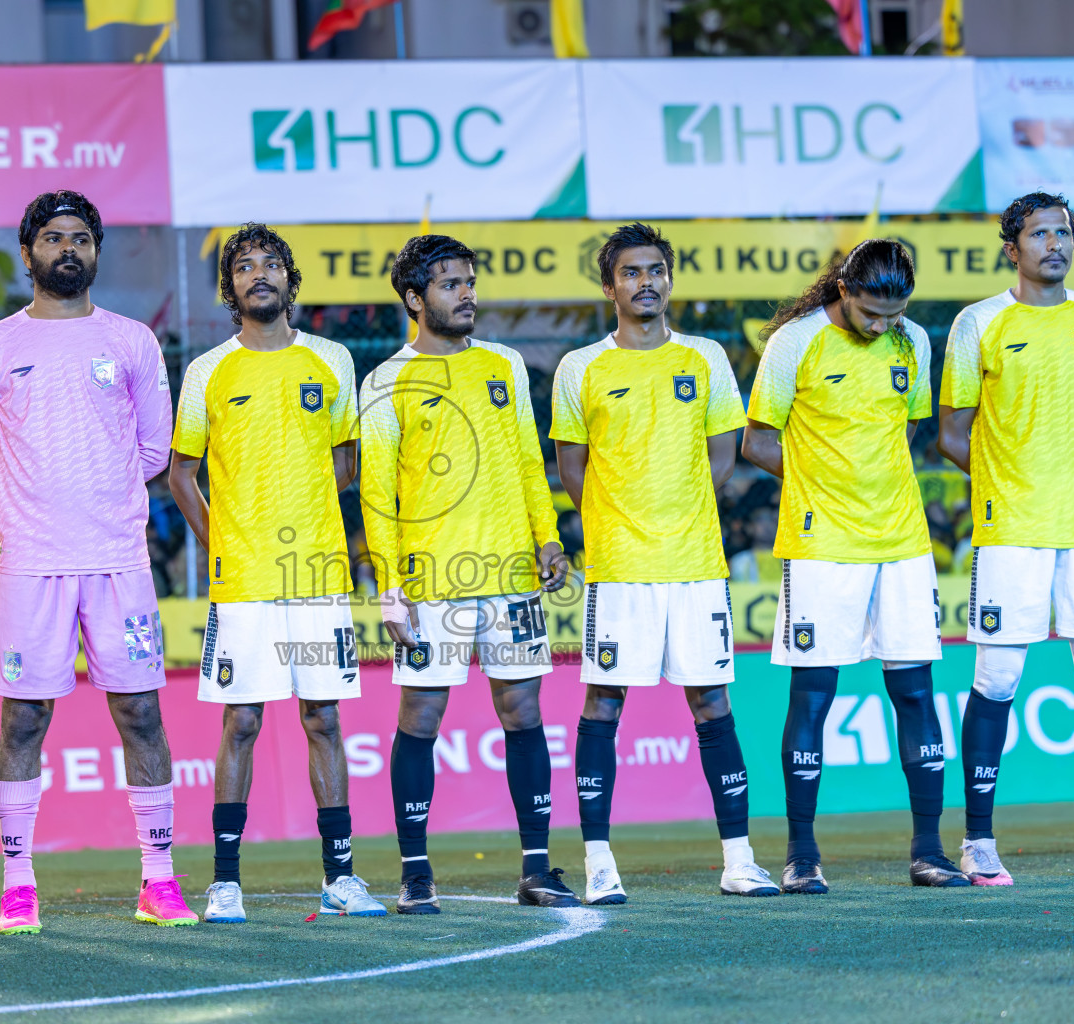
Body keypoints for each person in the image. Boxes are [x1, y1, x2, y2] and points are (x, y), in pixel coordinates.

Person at [0, 192, 188, 934]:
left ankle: (159, 880)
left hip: (117, 559)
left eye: (81, 239)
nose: (68, 250)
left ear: (96, 252)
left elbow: (155, 448)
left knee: (142, 715)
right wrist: (29, 519)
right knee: (23, 721)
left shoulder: (131, 342)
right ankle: (18, 884)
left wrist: (97, 496)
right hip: (32, 563)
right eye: (53, 238)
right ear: (26, 252)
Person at [551, 222, 777, 903]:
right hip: (620, 568)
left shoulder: (705, 357)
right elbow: (572, 470)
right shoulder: (579, 367)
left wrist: (675, 511)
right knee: (605, 700)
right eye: (631, 272)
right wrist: (626, 518)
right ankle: (598, 862)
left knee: (712, 702)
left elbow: (721, 455)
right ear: (609, 286)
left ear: (669, 279)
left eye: (656, 270)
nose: (645, 282)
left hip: (696, 564)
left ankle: (738, 859)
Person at [168, 223, 383, 924]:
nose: (258, 274)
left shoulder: (332, 360)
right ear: (229, 289)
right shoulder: (208, 370)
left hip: (318, 579)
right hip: (247, 584)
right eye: (244, 267)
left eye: (271, 265)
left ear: (292, 282)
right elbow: (182, 475)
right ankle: (224, 882)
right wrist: (223, 543)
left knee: (324, 717)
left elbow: (346, 460)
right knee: (244, 721)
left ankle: (341, 878)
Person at [742, 239, 968, 892]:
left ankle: (929, 849)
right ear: (844, 291)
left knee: (917, 692)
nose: (882, 326)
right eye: (871, 314)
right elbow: (758, 440)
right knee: (813, 696)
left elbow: (906, 431)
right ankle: (802, 855)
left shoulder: (913, 341)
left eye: (893, 315)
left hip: (900, 542)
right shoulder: (796, 342)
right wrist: (823, 484)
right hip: (820, 547)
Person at [360, 234, 576, 914]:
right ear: (414, 299)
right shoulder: (386, 381)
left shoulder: (505, 364)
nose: (467, 293)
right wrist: (389, 589)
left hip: (512, 576)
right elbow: (377, 493)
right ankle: (415, 872)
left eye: (470, 281)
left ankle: (537, 867)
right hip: (430, 584)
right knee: (420, 716)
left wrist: (548, 538)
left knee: (523, 710)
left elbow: (526, 462)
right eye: (451, 283)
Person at [939, 193, 1074, 884]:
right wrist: (1013, 478)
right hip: (1012, 533)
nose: (1053, 244)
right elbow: (950, 433)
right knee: (996, 681)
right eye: (1039, 233)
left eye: (1063, 232)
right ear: (1013, 247)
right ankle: (977, 841)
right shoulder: (979, 324)